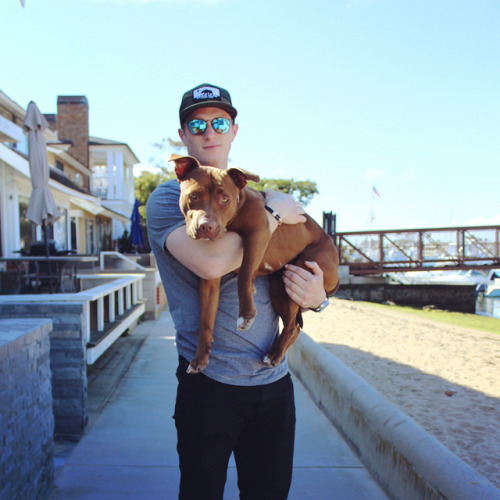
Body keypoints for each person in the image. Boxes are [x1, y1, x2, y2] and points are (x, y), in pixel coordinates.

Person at [146, 83, 329, 500]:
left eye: (219, 122)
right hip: (209, 384)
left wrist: (320, 298)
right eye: (197, 123)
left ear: (233, 131)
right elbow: (211, 263)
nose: (208, 131)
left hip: (274, 385)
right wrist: (271, 214)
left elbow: (304, 255)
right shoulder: (166, 200)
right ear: (183, 135)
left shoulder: (257, 198)